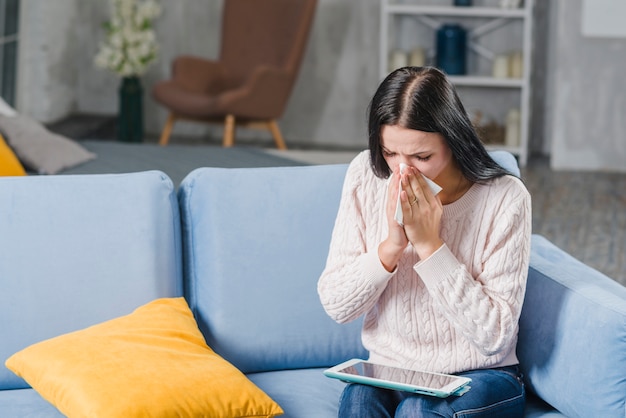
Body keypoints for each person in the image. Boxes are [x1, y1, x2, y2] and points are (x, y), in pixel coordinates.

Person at [317, 66, 531, 418]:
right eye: (390, 154)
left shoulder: (505, 198)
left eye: (421, 157)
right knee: (358, 405)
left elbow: (495, 338)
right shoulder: (366, 175)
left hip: (481, 373)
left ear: (453, 140)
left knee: (418, 411)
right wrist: (391, 247)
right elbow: (338, 306)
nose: (402, 172)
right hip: (392, 369)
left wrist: (431, 247)